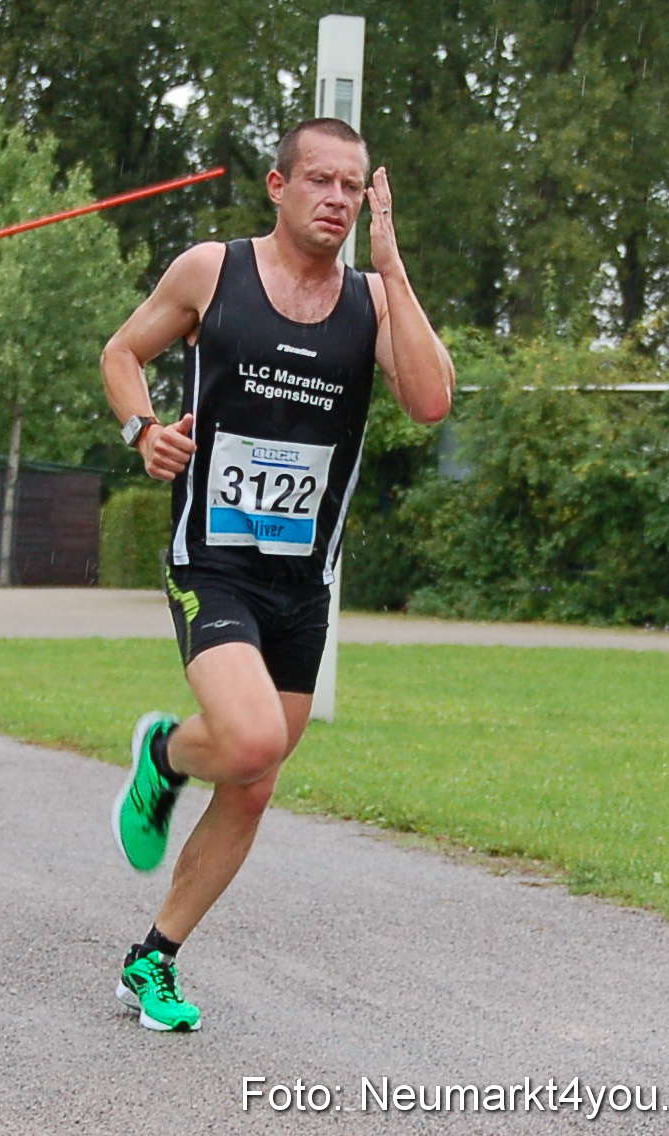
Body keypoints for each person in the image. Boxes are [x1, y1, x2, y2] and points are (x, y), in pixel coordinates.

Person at [100, 119, 454, 1032]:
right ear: (277, 184)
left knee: (254, 778)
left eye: (352, 187)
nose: (336, 199)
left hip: (302, 581)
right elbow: (120, 354)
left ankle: (153, 959)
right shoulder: (209, 272)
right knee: (251, 742)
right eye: (320, 181)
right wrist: (143, 431)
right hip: (211, 561)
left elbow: (428, 402)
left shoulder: (372, 302)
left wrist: (394, 271)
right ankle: (164, 754)